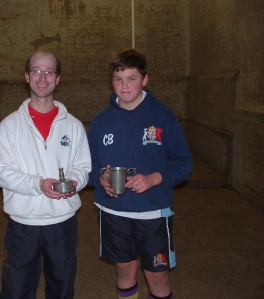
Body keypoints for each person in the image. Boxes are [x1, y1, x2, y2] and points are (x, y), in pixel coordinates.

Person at [87, 49, 193, 299]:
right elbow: (88, 168)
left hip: (153, 212)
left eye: (131, 78)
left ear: (145, 79)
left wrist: (153, 178)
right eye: (118, 79)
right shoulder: (101, 121)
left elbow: (183, 164)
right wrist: (102, 178)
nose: (124, 86)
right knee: (124, 270)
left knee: (158, 275)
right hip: (113, 213)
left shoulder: (163, 116)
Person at [0, 50, 91, 299]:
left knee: (62, 288)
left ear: (58, 78)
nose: (43, 77)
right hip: (23, 224)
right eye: (37, 70)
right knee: (16, 291)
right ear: (27, 76)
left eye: (49, 72)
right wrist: (38, 184)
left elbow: (83, 167)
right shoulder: (9, 126)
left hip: (63, 223)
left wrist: (75, 182)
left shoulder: (74, 126)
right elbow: (2, 173)